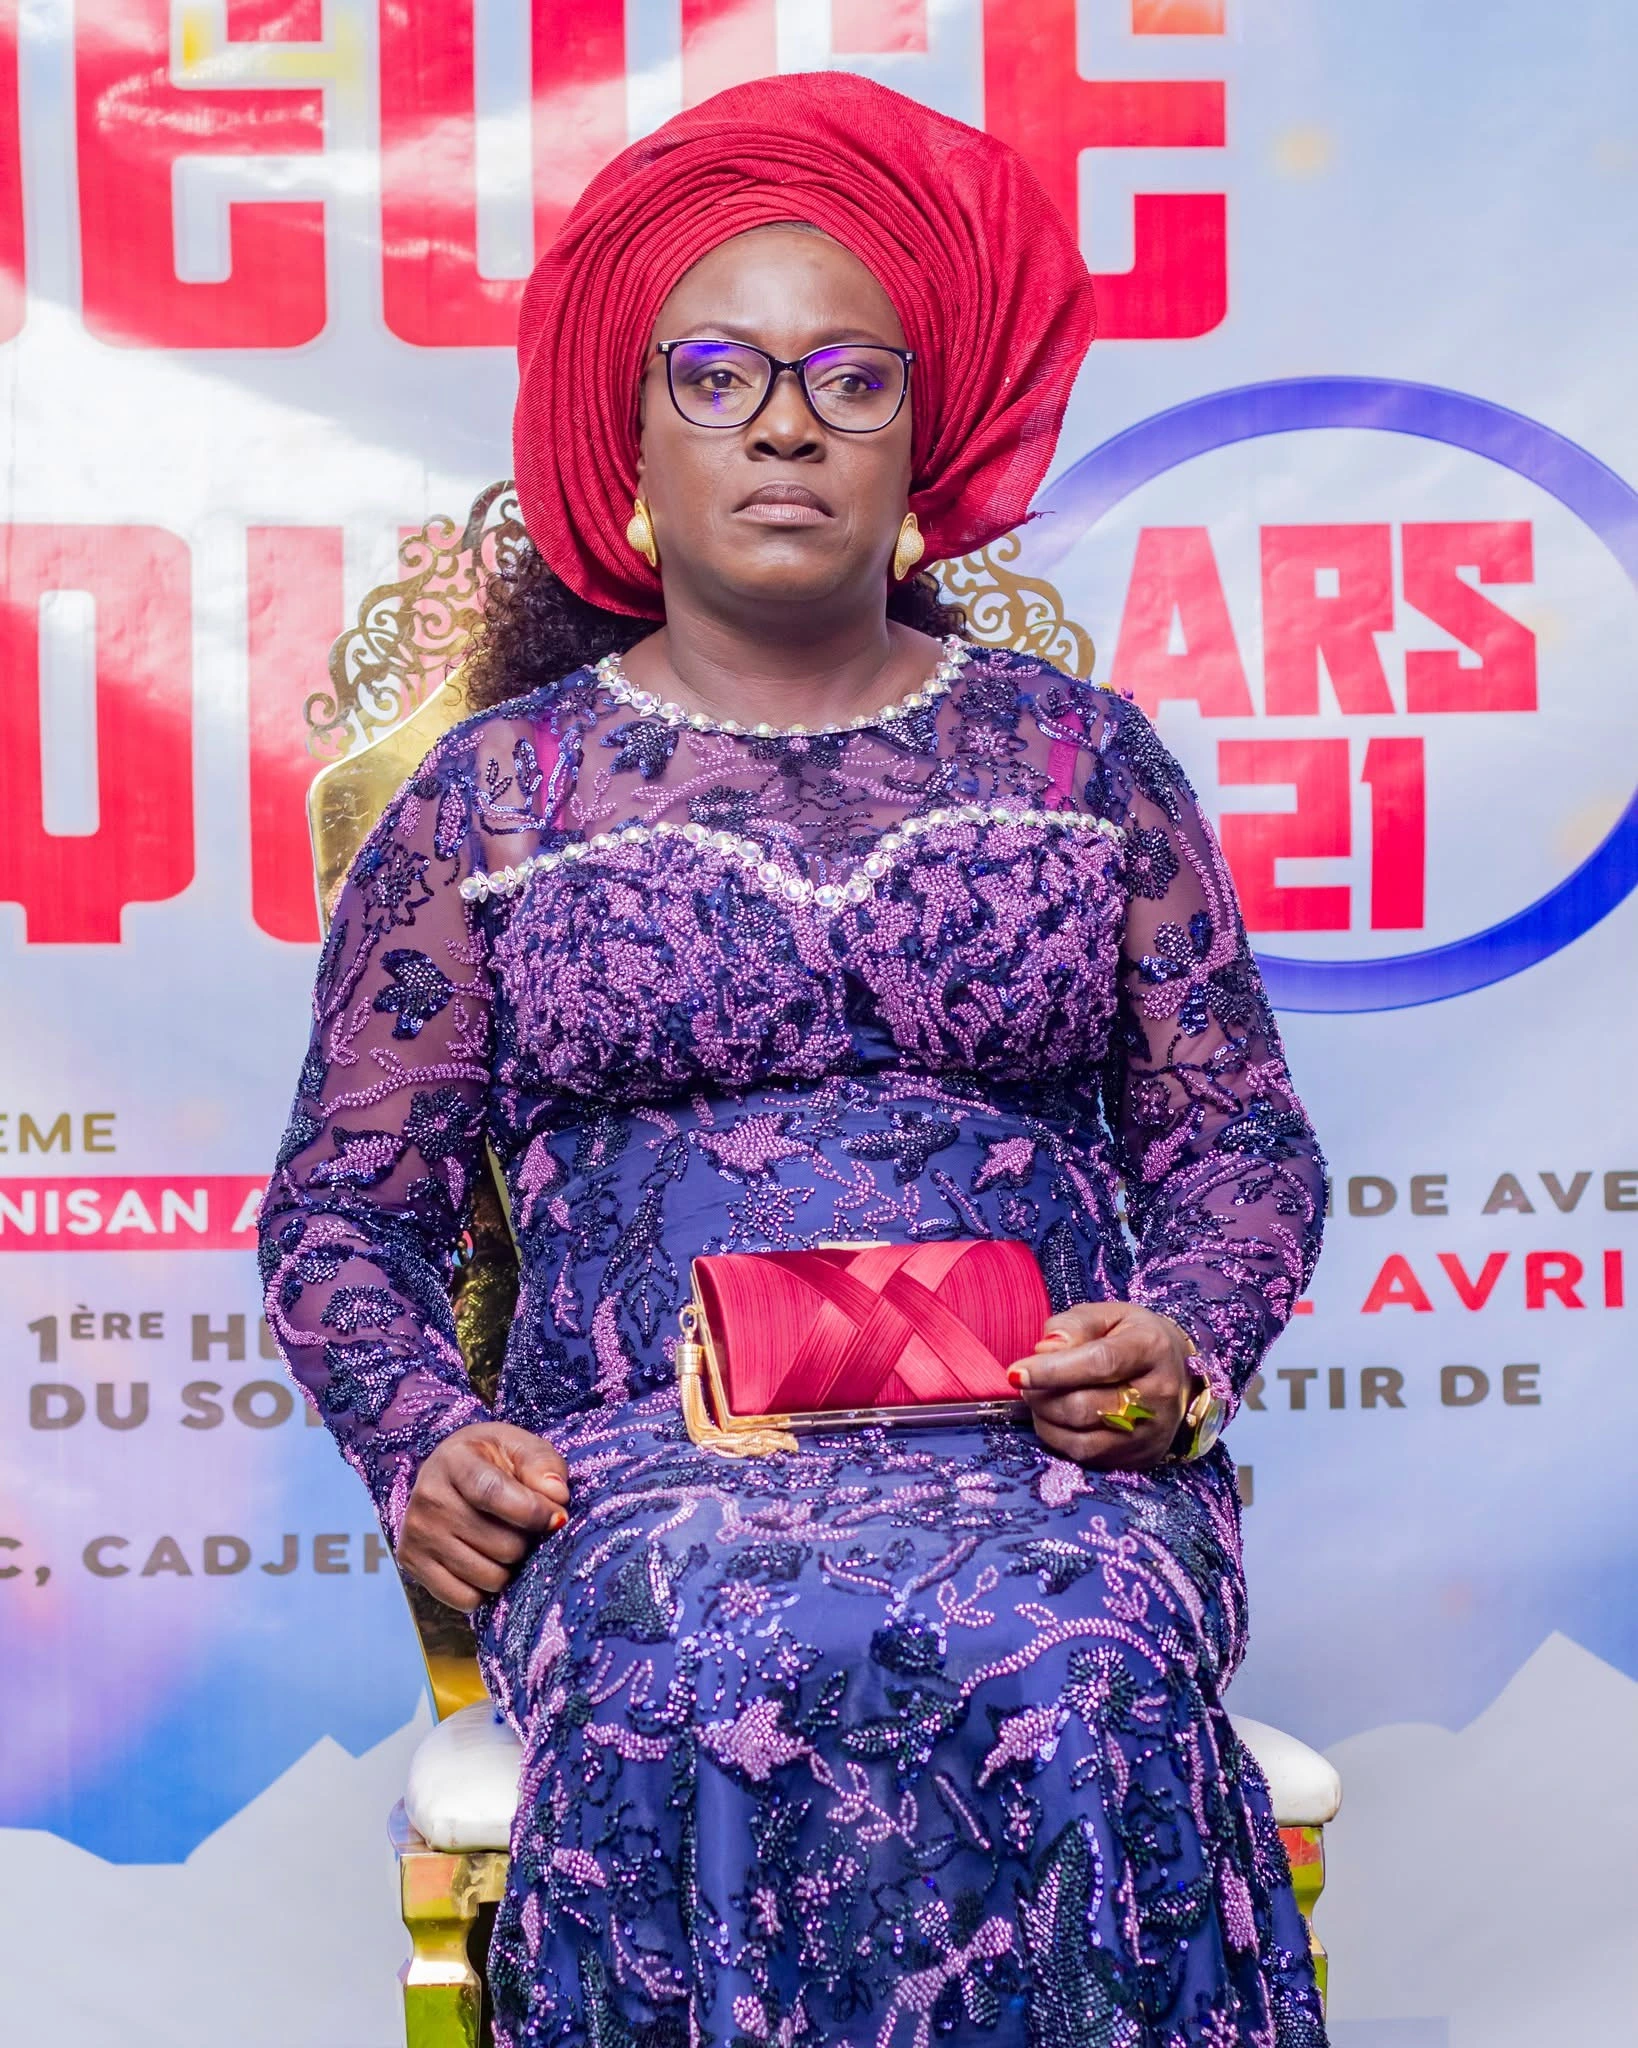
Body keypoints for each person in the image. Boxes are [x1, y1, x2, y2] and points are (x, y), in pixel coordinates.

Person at [260, 73, 1327, 2048]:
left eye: (848, 377)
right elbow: (342, 1209)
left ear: (920, 439)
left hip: (1044, 1463)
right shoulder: (492, 799)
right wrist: (424, 1439)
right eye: (717, 374)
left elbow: (1239, 1140)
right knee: (711, 1640)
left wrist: (1181, 1342)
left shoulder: (1081, 760)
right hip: (647, 1472)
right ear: (630, 445)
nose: (783, 423)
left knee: (1074, 1651)